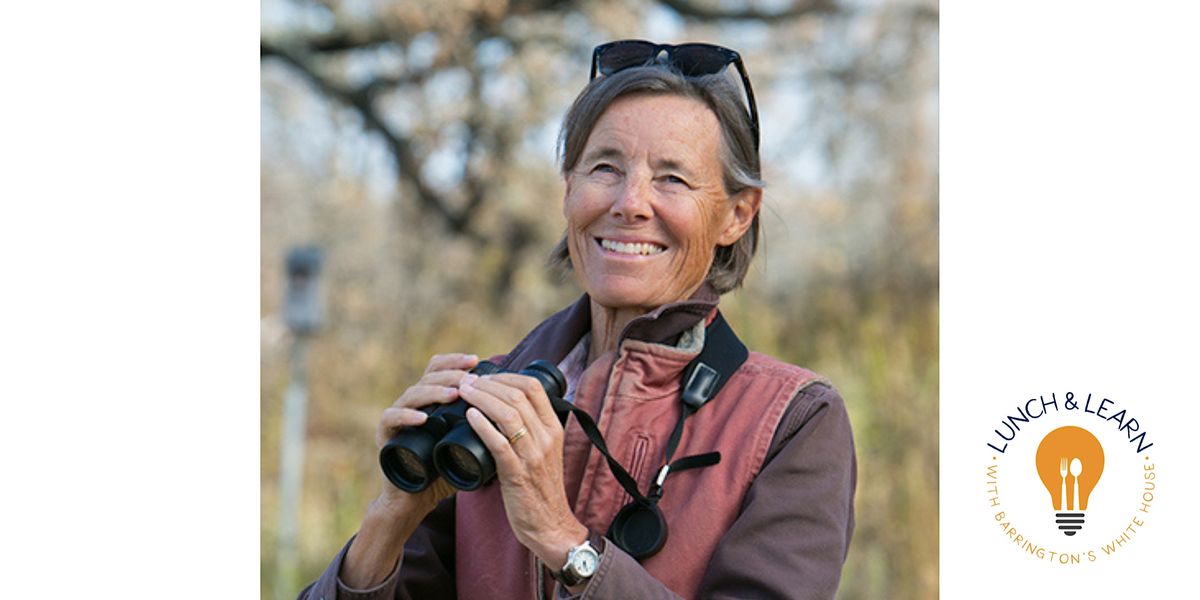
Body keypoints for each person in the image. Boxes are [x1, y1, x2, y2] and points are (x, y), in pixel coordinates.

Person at [299, 40, 856, 600]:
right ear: (568, 190)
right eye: (605, 168)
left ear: (737, 215)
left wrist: (562, 540)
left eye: (673, 179)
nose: (630, 203)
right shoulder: (488, 403)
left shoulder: (793, 421)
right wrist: (391, 517)